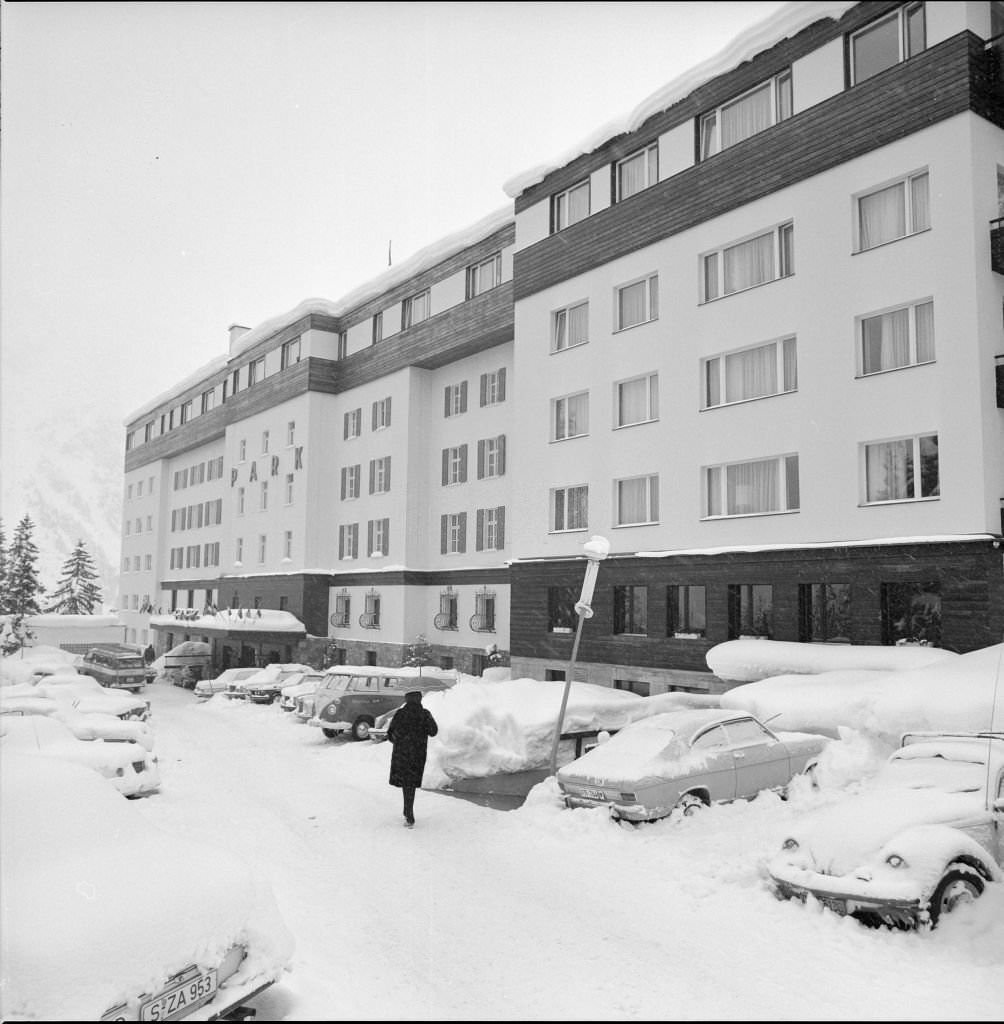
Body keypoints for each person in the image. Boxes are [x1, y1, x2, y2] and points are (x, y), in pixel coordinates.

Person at [387, 690, 438, 828]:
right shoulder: (425, 714)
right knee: (411, 783)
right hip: (418, 754)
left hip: (402, 755)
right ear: (419, 700)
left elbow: (390, 734)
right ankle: (408, 810)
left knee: (406, 783)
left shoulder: (400, 714)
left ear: (407, 699)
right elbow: (433, 731)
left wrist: (400, 740)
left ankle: (408, 811)